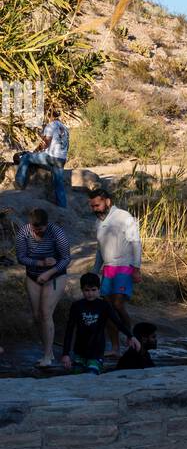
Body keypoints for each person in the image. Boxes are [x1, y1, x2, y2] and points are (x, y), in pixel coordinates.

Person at [88, 188, 142, 357]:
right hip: (108, 268)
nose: (94, 208)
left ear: (107, 201)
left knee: (118, 304)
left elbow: (136, 243)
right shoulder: (99, 222)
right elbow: (99, 249)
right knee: (107, 308)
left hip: (125, 266)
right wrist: (95, 271)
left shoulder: (124, 216)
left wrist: (137, 268)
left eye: (97, 205)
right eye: (92, 206)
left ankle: (130, 335)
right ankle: (115, 348)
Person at [14, 207, 71, 366]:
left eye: (40, 228)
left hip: (55, 275)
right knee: (37, 316)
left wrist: (50, 270)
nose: (37, 231)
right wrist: (40, 263)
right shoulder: (24, 232)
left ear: (47, 224)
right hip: (32, 275)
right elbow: (20, 257)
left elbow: (66, 258)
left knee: (46, 313)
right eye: (34, 228)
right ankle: (49, 351)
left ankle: (46, 356)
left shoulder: (57, 232)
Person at [61, 272, 140, 374]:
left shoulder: (104, 305)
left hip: (97, 352)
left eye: (93, 290)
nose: (90, 293)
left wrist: (131, 336)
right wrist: (66, 354)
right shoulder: (77, 306)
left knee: (91, 375)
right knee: (77, 375)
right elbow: (69, 330)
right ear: (82, 290)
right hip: (79, 352)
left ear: (99, 289)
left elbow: (117, 322)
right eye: (87, 290)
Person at [14, 109, 69, 209]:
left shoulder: (51, 125)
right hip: (62, 158)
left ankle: (19, 183)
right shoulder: (64, 127)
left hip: (51, 157)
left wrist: (35, 152)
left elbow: (46, 143)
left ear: (49, 116)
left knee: (26, 157)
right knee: (58, 183)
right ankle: (62, 207)